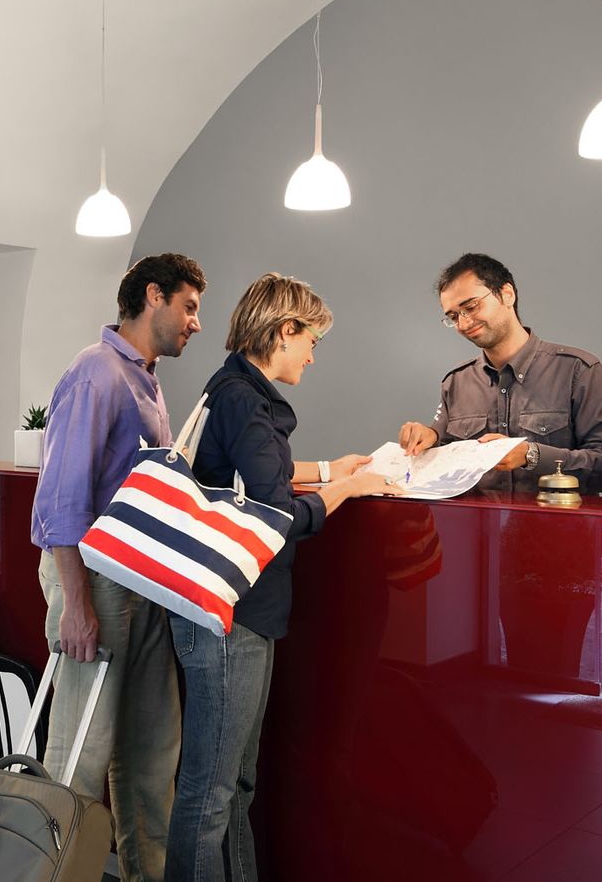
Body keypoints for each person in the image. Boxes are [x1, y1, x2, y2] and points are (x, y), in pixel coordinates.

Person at [165, 272, 404, 882]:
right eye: (312, 341)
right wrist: (348, 488)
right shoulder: (245, 397)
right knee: (211, 789)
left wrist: (329, 467)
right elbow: (276, 517)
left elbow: (250, 474)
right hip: (229, 615)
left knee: (236, 782)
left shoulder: (236, 390)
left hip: (242, 612)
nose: (313, 355)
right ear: (283, 330)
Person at [32, 252, 206, 882]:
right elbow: (61, 498)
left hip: (142, 582)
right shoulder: (95, 372)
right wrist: (75, 604)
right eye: (188, 307)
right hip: (95, 582)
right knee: (79, 753)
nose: (195, 323)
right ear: (152, 296)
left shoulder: (148, 380)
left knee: (151, 752)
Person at [398, 252, 602, 494]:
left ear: (507, 294)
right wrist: (427, 439)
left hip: (559, 530)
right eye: (453, 317)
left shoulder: (580, 373)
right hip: (477, 531)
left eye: (471, 307)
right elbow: (444, 457)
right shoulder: (456, 383)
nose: (464, 323)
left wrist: (531, 455)